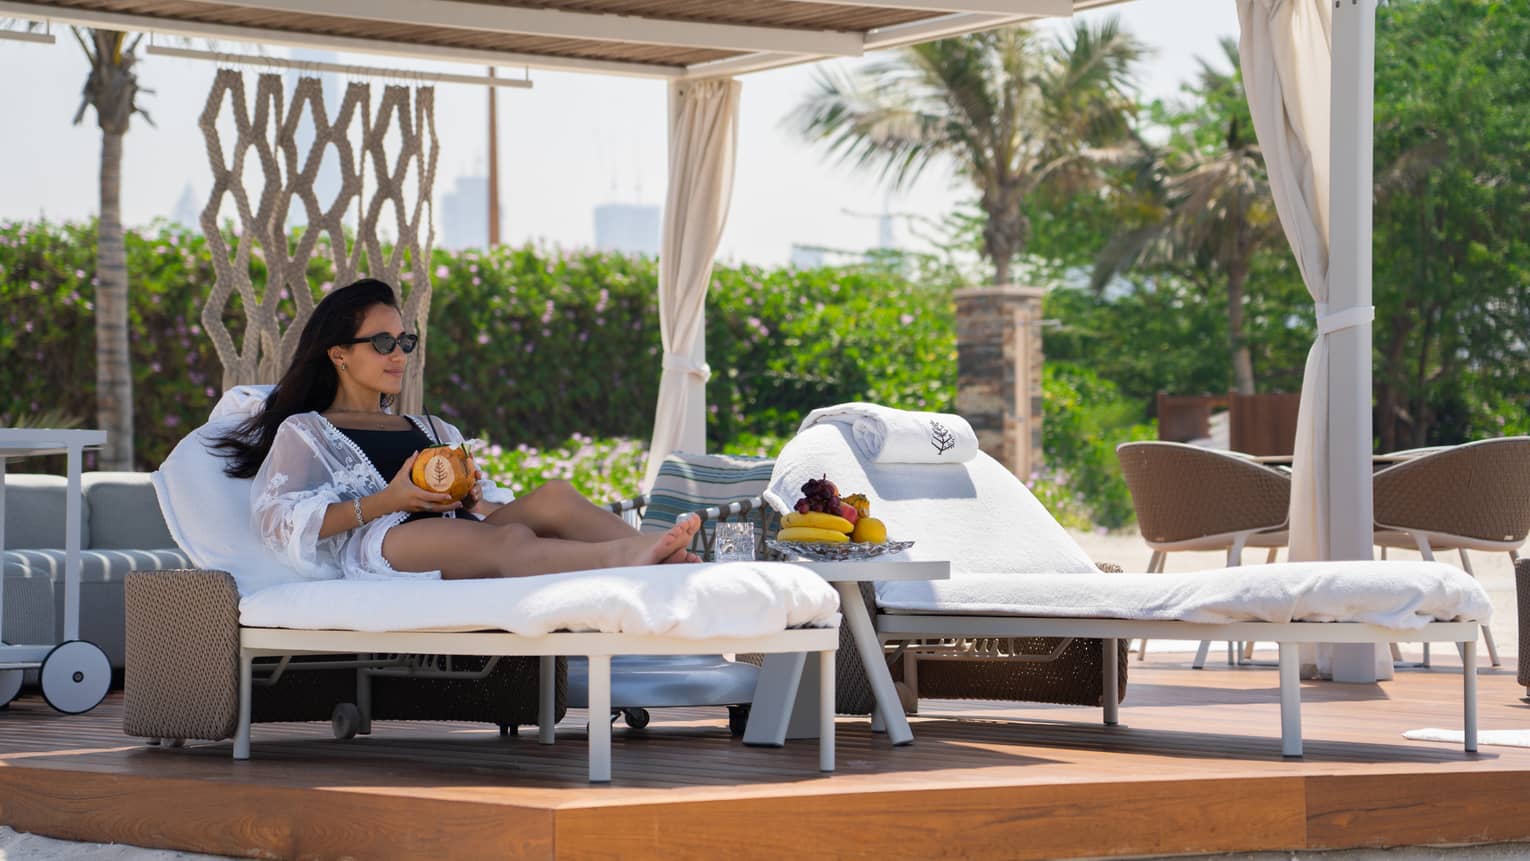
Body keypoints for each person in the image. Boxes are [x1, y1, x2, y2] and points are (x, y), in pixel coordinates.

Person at [212, 278, 700, 581]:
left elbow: (482, 508)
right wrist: (389, 500)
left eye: (405, 340)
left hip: (453, 530)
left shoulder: (432, 427)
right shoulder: (307, 431)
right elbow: (277, 522)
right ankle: (633, 558)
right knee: (509, 545)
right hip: (384, 540)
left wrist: (471, 502)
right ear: (339, 353)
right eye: (382, 343)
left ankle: (657, 557)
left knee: (554, 496)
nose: (399, 354)